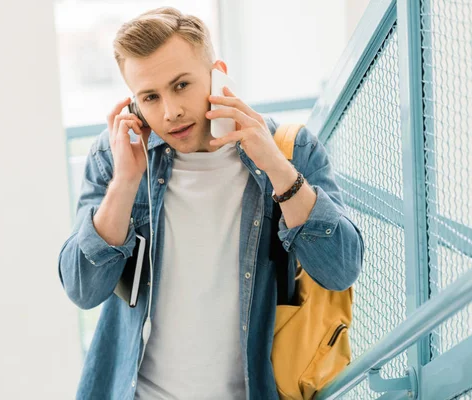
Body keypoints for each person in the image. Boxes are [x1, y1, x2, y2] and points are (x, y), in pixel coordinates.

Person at [58, 7, 364, 400]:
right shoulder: (115, 157)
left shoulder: (291, 150)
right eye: (150, 97)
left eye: (182, 85)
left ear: (217, 73)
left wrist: (275, 167)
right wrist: (125, 183)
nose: (171, 112)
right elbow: (82, 289)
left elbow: (341, 268)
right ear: (134, 104)